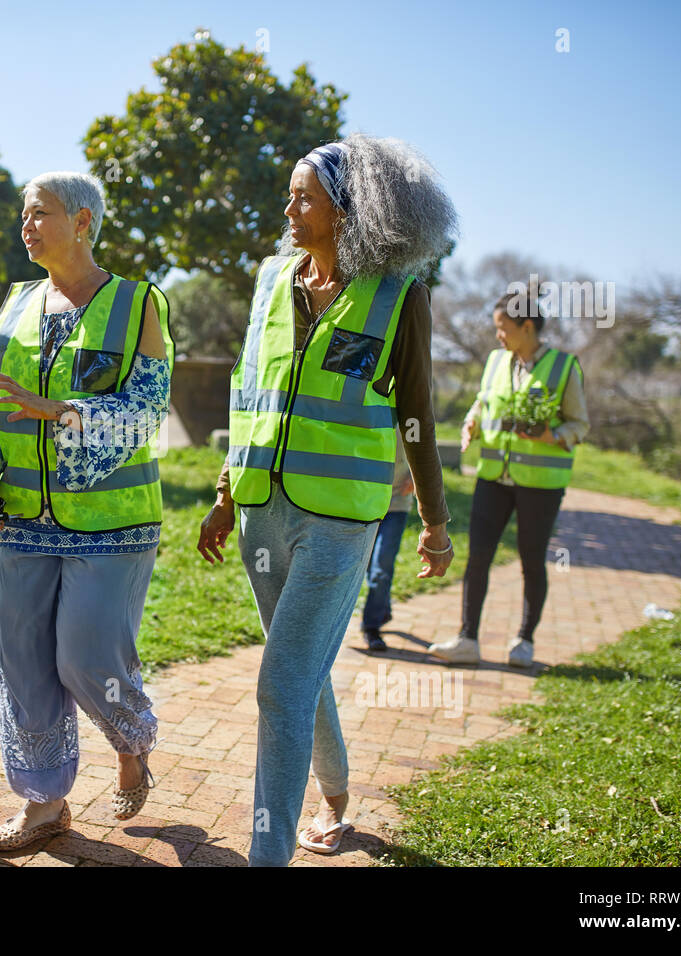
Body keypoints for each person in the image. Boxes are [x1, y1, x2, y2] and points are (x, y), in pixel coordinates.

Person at [196, 135, 458, 866]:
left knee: (280, 684)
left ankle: (266, 852)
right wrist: (224, 496)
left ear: (349, 210)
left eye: (304, 195)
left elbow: (417, 416)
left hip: (340, 522)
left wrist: (435, 523)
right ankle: (337, 795)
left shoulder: (400, 297)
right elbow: (248, 395)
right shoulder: (271, 281)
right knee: (298, 670)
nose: (288, 207)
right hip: (259, 514)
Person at [0, 171, 173, 853]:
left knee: (84, 657)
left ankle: (131, 742)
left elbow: (146, 413)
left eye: (41, 214)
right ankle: (44, 806)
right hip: (21, 519)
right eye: (23, 215)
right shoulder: (16, 304)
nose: (27, 225)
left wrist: (64, 411)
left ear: (83, 221)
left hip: (112, 525)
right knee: (24, 664)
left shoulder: (138, 303)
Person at [428, 290, 588, 668]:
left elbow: (580, 423)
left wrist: (554, 435)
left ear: (527, 326)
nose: (497, 335)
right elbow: (483, 401)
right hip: (493, 478)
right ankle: (467, 639)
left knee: (531, 561)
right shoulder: (495, 361)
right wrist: (471, 421)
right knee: (478, 556)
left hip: (540, 485)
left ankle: (525, 641)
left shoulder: (565, 367)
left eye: (503, 328)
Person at [361, 432, 416, 652]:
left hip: (397, 501)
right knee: (364, 564)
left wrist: (416, 474)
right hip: (365, 499)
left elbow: (423, 440)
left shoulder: (409, 401)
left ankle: (371, 626)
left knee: (381, 565)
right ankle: (382, 607)